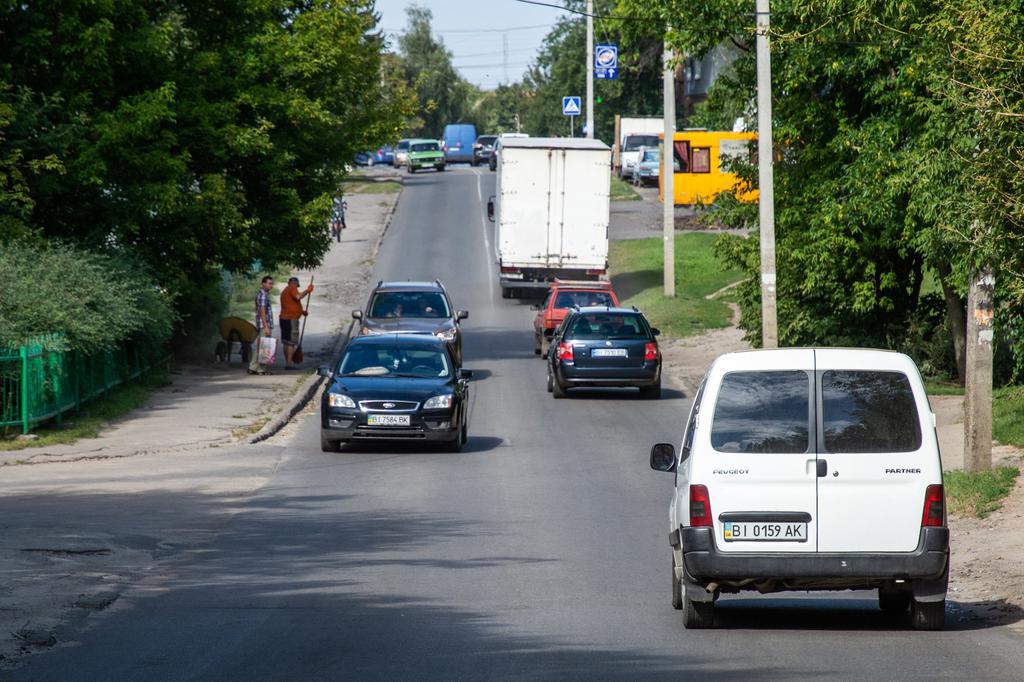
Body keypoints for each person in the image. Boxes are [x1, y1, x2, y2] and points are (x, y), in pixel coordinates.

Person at [279, 276, 314, 369]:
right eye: (296, 285)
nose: (297, 288)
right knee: (291, 342)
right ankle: (289, 364)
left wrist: (301, 311)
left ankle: (287, 362)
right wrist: (308, 290)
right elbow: (298, 297)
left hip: (284, 318)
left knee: (286, 342)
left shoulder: (285, 291)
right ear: (295, 283)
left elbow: (290, 304)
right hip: (291, 320)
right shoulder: (292, 288)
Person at [249, 275, 275, 375]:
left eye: (272, 284)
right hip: (264, 324)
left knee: (260, 345)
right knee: (265, 346)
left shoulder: (261, 293)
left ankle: (253, 367)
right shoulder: (263, 295)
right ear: (263, 283)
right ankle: (261, 369)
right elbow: (262, 311)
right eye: (269, 283)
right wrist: (266, 326)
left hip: (261, 324)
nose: (271, 286)